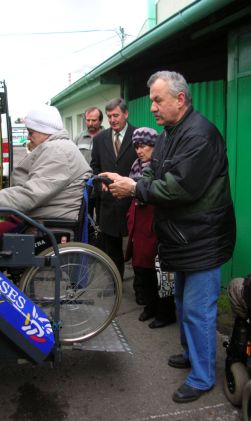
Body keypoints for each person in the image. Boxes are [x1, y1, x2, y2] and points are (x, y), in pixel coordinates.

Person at [99, 71, 236, 403]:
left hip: (201, 239)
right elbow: (155, 172)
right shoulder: (172, 132)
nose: (154, 108)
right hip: (179, 237)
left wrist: (135, 188)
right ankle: (192, 356)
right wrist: (133, 181)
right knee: (180, 301)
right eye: (151, 102)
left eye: (158, 101)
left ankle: (203, 377)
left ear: (180, 99)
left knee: (198, 310)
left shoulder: (199, 135)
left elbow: (180, 188)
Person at [0, 104, 92, 223]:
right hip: (43, 215)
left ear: (45, 131)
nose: (28, 137)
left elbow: (30, 194)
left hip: (43, 221)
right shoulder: (59, 147)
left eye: (30, 132)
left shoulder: (57, 151)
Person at [126, 127, 176, 328]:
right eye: (137, 146)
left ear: (155, 146)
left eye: (144, 146)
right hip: (140, 221)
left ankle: (165, 313)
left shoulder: (163, 166)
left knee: (161, 269)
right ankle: (150, 306)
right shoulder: (135, 165)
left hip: (157, 220)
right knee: (143, 268)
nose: (140, 150)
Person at [90, 98, 137, 279]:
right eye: (109, 116)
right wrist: (99, 181)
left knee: (138, 249)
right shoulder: (100, 139)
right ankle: (115, 282)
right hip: (108, 203)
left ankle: (140, 289)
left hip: (132, 201)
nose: (112, 120)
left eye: (116, 115)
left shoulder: (137, 135)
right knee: (111, 248)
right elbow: (94, 167)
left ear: (125, 114)